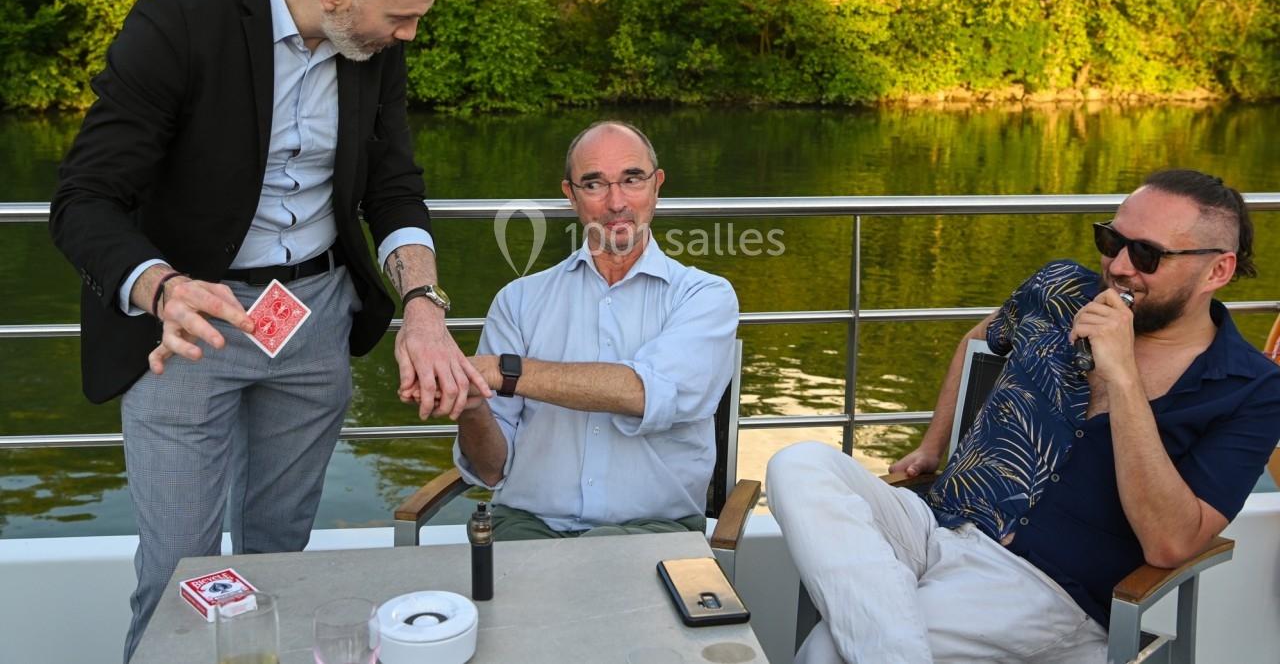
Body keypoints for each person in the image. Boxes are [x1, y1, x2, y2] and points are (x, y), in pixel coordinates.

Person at [48, 0, 488, 661]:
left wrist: (422, 304)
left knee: (280, 557)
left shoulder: (371, 45)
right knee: (180, 576)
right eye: (402, 18)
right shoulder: (180, 22)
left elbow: (393, 185)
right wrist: (164, 289)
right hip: (189, 324)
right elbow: (84, 199)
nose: (411, 35)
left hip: (314, 316)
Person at [767, 169, 1280, 664]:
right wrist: (932, 445)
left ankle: (888, 621)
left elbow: (1173, 543)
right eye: (1111, 240)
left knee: (827, 651)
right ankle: (895, 615)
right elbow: (975, 341)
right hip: (936, 524)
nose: (1120, 266)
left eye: (1147, 254)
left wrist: (1122, 377)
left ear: (1218, 270)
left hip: (1040, 585)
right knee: (800, 462)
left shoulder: (1251, 388)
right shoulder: (1060, 290)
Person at [451, 120, 739, 539]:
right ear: (570, 195)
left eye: (632, 179)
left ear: (657, 186)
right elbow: (491, 470)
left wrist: (504, 370)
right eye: (594, 184)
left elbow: (643, 394)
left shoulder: (704, 296)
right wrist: (471, 405)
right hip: (528, 527)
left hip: (653, 530)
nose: (615, 201)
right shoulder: (518, 300)